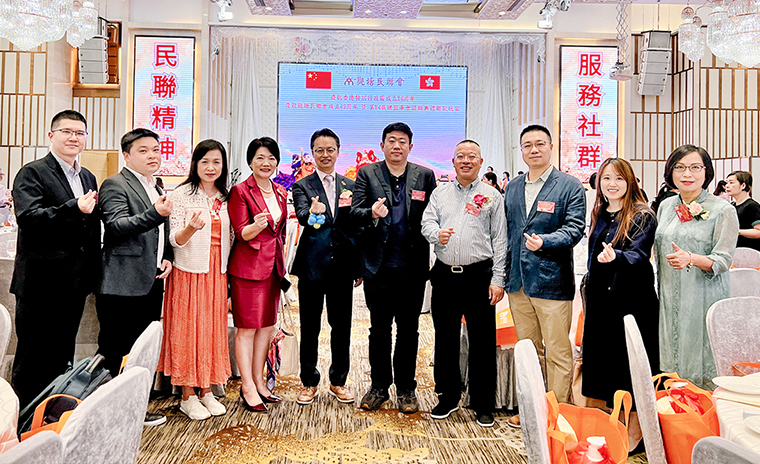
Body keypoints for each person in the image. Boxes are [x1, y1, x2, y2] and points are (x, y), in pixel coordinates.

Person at [10, 110, 101, 408]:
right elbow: (29, 218)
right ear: (51, 135)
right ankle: (24, 420)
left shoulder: (86, 176)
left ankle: (51, 414)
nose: (74, 137)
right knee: (33, 356)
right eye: (67, 131)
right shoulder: (32, 172)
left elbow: (90, 229)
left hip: (73, 284)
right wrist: (73, 207)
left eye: (80, 133)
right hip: (40, 284)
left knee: (63, 354)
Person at [351, 122, 437, 414]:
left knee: (409, 330)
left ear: (410, 147)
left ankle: (406, 389)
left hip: (412, 267)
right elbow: (355, 212)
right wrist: (372, 214)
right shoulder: (367, 173)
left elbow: (434, 215)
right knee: (379, 330)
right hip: (378, 267)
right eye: (391, 140)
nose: (396, 146)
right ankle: (378, 387)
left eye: (402, 141)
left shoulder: (425, 175)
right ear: (382, 145)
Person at [503, 124, 585, 427]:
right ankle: (531, 408)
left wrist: (545, 241)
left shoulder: (569, 185)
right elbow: (508, 232)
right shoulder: (513, 187)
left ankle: (556, 413)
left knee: (557, 352)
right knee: (528, 351)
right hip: (518, 283)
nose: (533, 149)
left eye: (540, 143)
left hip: (552, 281)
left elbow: (575, 228)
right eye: (527, 145)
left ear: (551, 147)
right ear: (521, 151)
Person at [421, 140, 506, 428]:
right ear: (453, 161)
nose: (466, 160)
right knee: (445, 339)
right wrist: (436, 234)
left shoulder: (492, 196)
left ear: (481, 162)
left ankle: (483, 402)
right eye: (461, 156)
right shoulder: (440, 193)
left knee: (482, 341)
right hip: (445, 275)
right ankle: (447, 396)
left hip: (479, 276)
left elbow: (501, 240)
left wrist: (498, 279)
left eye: (472, 156)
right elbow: (426, 223)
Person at [582, 158, 658, 451]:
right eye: (606, 179)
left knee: (631, 363)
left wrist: (617, 257)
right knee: (605, 362)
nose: (612, 184)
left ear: (630, 182)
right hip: (601, 299)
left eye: (618, 179)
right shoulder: (600, 211)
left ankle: (637, 430)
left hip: (631, 301)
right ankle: (612, 424)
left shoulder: (642, 214)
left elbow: (640, 254)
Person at [98, 128, 173, 426]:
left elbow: (162, 230)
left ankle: (134, 408)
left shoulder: (157, 184)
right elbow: (116, 227)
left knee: (141, 349)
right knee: (116, 349)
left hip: (151, 280)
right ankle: (110, 413)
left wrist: (168, 255)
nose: (152, 155)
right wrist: (155, 212)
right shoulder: (115, 184)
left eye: (155, 149)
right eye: (143, 150)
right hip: (121, 282)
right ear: (126, 155)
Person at [158, 140, 233, 420]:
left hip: (217, 271)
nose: (211, 167)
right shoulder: (181, 195)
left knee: (211, 330)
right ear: (195, 164)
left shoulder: (226, 197)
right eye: (205, 162)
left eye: (216, 162)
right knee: (188, 329)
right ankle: (187, 394)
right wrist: (190, 228)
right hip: (188, 271)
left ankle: (207, 390)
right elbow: (174, 239)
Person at [655, 145, 738, 389]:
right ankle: (675, 408)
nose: (687, 174)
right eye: (680, 167)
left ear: (706, 172)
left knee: (700, 360)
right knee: (671, 359)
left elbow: (723, 260)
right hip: (669, 298)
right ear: (670, 172)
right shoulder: (666, 206)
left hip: (702, 298)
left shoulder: (723, 210)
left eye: (695, 167)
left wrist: (691, 258)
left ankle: (703, 408)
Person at [291, 128, 361, 405]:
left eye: (330, 149)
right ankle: (309, 382)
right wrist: (312, 212)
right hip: (312, 266)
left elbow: (355, 226)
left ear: (338, 152)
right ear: (312, 153)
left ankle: (338, 381)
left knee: (341, 327)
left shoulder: (350, 185)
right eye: (319, 150)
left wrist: (358, 266)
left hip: (342, 267)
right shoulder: (302, 185)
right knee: (310, 327)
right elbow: (301, 215)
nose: (325, 154)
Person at [228, 137, 288, 413]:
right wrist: (255, 226)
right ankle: (247, 386)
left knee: (266, 327)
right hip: (248, 269)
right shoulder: (240, 191)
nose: (266, 163)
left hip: (273, 268)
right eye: (260, 158)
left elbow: (280, 232)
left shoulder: (279, 191)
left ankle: (260, 381)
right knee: (247, 328)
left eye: (271, 158)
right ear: (250, 161)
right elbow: (241, 232)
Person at [725, 171, 760, 251]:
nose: (727, 186)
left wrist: (738, 231)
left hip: (749, 251)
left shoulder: (752, 206)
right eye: (727, 183)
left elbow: (758, 231)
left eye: (731, 183)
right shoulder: (732, 205)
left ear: (743, 185)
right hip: (734, 250)